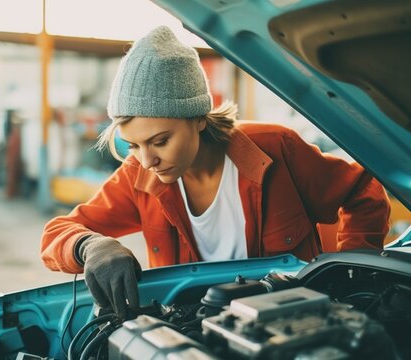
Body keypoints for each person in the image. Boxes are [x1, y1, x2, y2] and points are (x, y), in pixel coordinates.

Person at [41, 26, 390, 319]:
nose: (146, 160)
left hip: (291, 319)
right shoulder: (139, 177)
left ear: (198, 119)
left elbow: (363, 191)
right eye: (133, 145)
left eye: (160, 141)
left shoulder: (275, 149)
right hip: (195, 330)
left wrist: (352, 277)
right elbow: (57, 233)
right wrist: (90, 245)